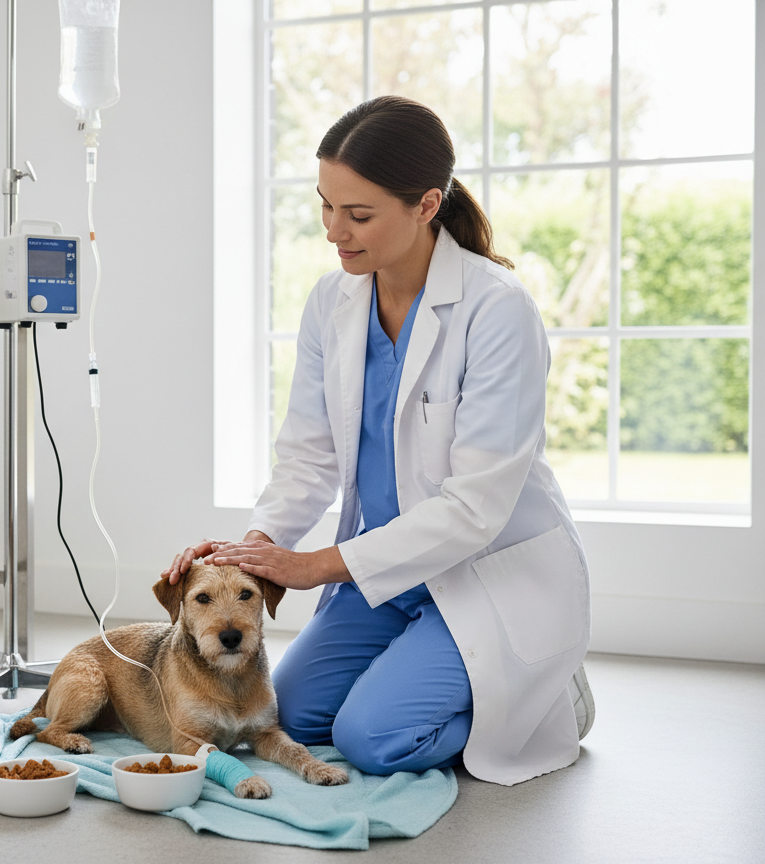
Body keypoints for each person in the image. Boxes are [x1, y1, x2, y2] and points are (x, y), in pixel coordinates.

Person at [165, 95, 593, 786]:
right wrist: (250, 554)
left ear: (427, 206)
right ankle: (426, 665)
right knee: (295, 713)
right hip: (389, 573)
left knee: (372, 739)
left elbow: (474, 510)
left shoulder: (497, 309)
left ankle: (541, 700)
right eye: (326, 206)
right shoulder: (332, 303)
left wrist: (314, 566)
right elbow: (307, 457)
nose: (335, 231)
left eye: (358, 214)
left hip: (486, 571)